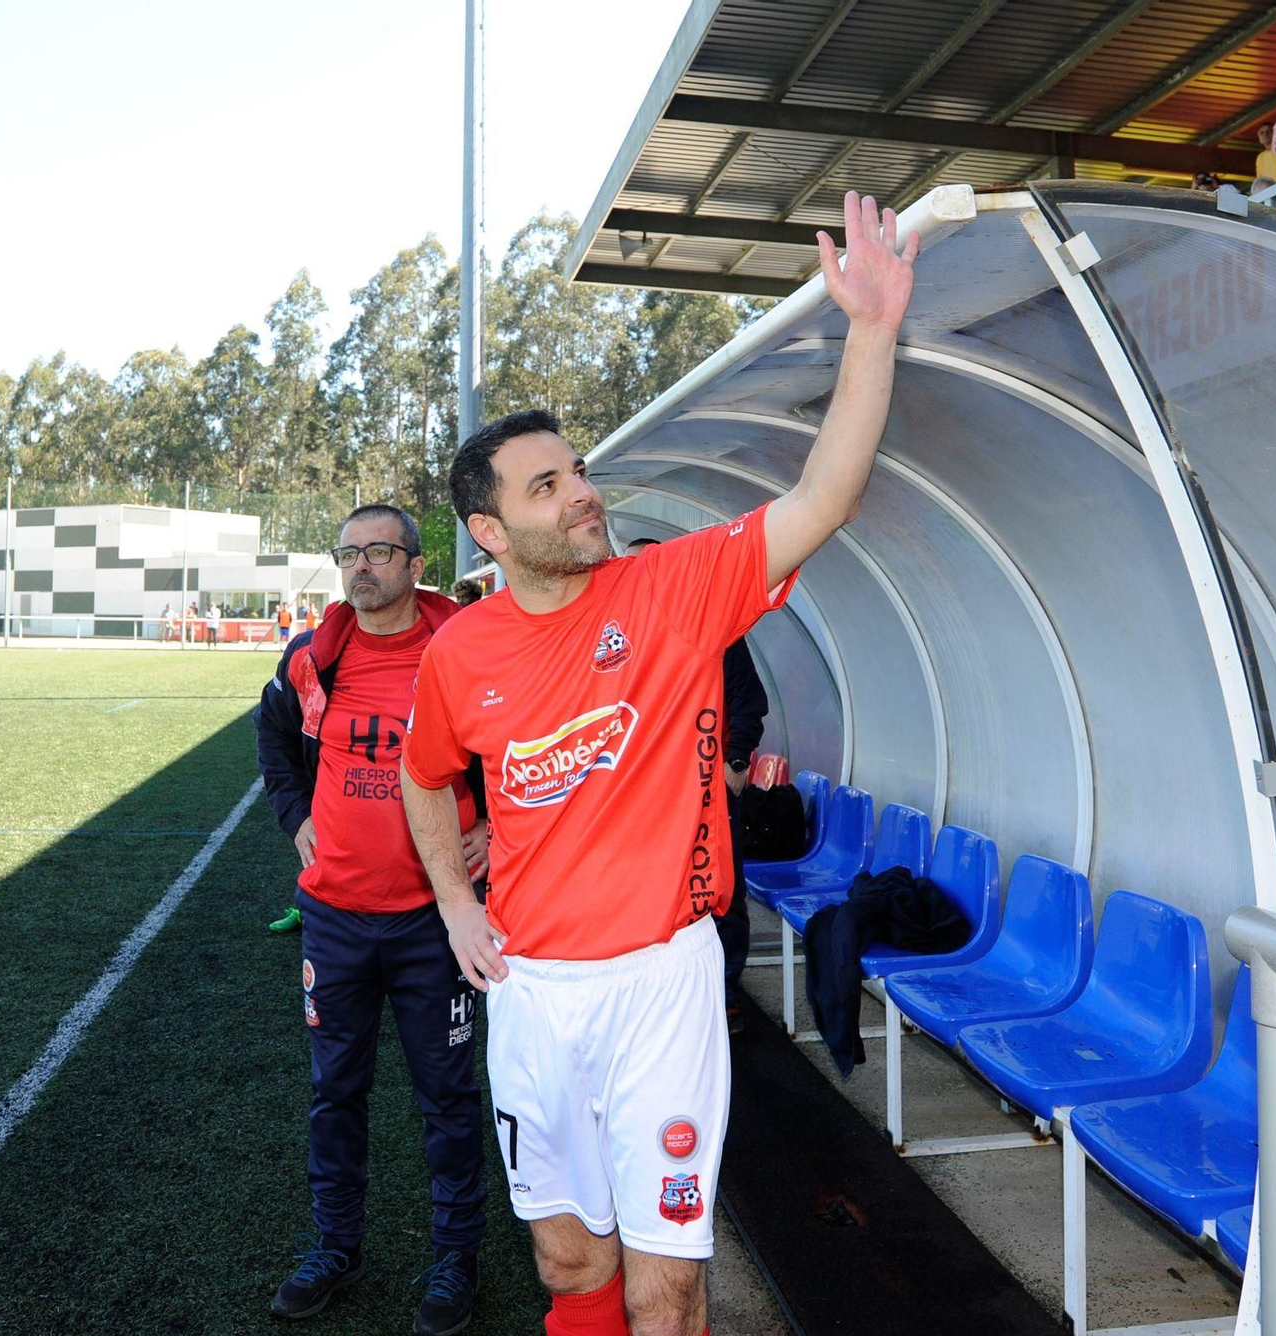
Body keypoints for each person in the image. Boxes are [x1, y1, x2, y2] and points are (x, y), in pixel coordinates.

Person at [399, 190, 916, 1336]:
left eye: (575, 470)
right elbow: (422, 774)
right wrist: (451, 902)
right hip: (532, 990)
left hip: (663, 985)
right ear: (489, 533)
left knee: (666, 1281)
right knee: (567, 1261)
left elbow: (824, 495)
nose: (581, 491)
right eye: (547, 487)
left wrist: (870, 327)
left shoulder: (674, 588)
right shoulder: (460, 652)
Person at [255, 503, 492, 1333]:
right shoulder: (314, 659)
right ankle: (336, 1245)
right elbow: (274, 741)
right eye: (348, 552)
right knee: (335, 1093)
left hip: (436, 922)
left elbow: (511, 746)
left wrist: (494, 827)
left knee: (449, 1099)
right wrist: (296, 820)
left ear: (415, 563)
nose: (361, 567)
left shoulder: (463, 647)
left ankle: (456, 1257)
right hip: (336, 919)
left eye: (380, 551)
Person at [623, 535, 771, 1033]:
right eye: (640, 567)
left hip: (707, 789)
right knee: (653, 889)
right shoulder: (620, 636)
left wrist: (734, 762)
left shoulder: (719, 628)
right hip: (645, 796)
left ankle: (726, 995)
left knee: (722, 890)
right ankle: (660, 993)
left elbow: (751, 701)